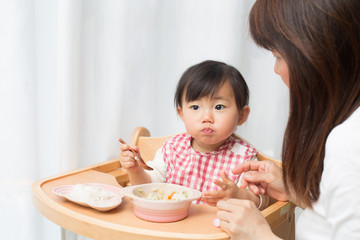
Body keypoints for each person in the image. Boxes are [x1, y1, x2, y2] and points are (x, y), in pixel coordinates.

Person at [216, 0, 360, 239]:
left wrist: (258, 234)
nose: (276, 69)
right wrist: (295, 192)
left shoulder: (349, 142)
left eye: (277, 55)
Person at [119, 60, 268, 209]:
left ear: (242, 115)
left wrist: (239, 195)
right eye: (195, 107)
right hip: (172, 226)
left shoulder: (244, 159)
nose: (207, 117)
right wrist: (136, 170)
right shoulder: (173, 149)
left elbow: (262, 201)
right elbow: (150, 188)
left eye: (219, 107)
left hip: (217, 229)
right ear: (181, 113)